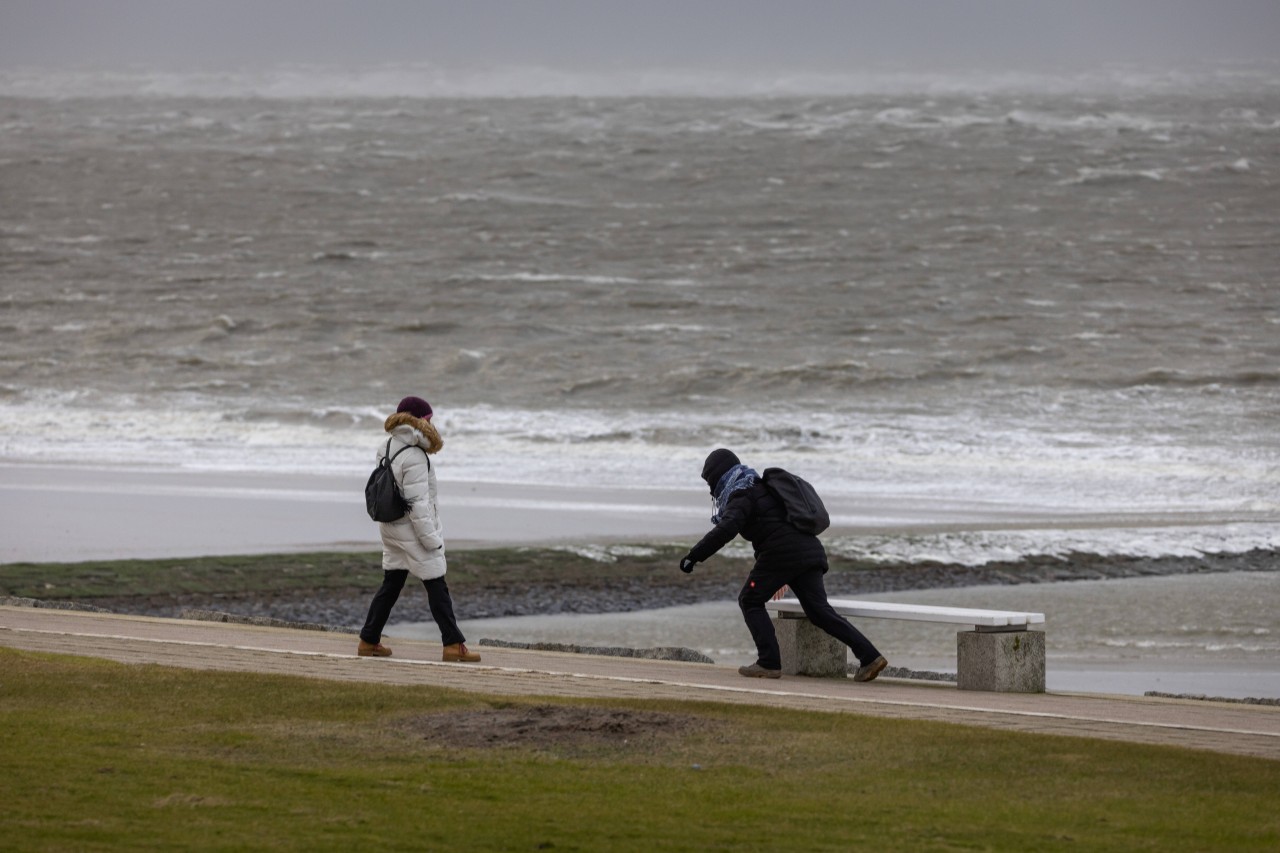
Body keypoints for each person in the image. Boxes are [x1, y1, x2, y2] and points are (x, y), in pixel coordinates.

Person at [680, 448, 887, 681]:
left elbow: (727, 529)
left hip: (782, 556)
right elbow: (773, 528)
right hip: (808, 552)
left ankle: (768, 662)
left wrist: (695, 555)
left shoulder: (741, 494)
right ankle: (870, 657)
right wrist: (779, 577)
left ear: (719, 475)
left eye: (711, 481)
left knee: (749, 600)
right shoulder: (760, 487)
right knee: (820, 612)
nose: (711, 489)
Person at [357, 395, 480, 663]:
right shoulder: (414, 455)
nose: (432, 424)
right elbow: (418, 505)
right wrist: (431, 539)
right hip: (413, 532)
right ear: (418, 421)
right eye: (428, 419)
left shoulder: (386, 446)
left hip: (390, 528)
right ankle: (453, 644)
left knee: (390, 585)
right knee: (437, 586)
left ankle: (368, 640)